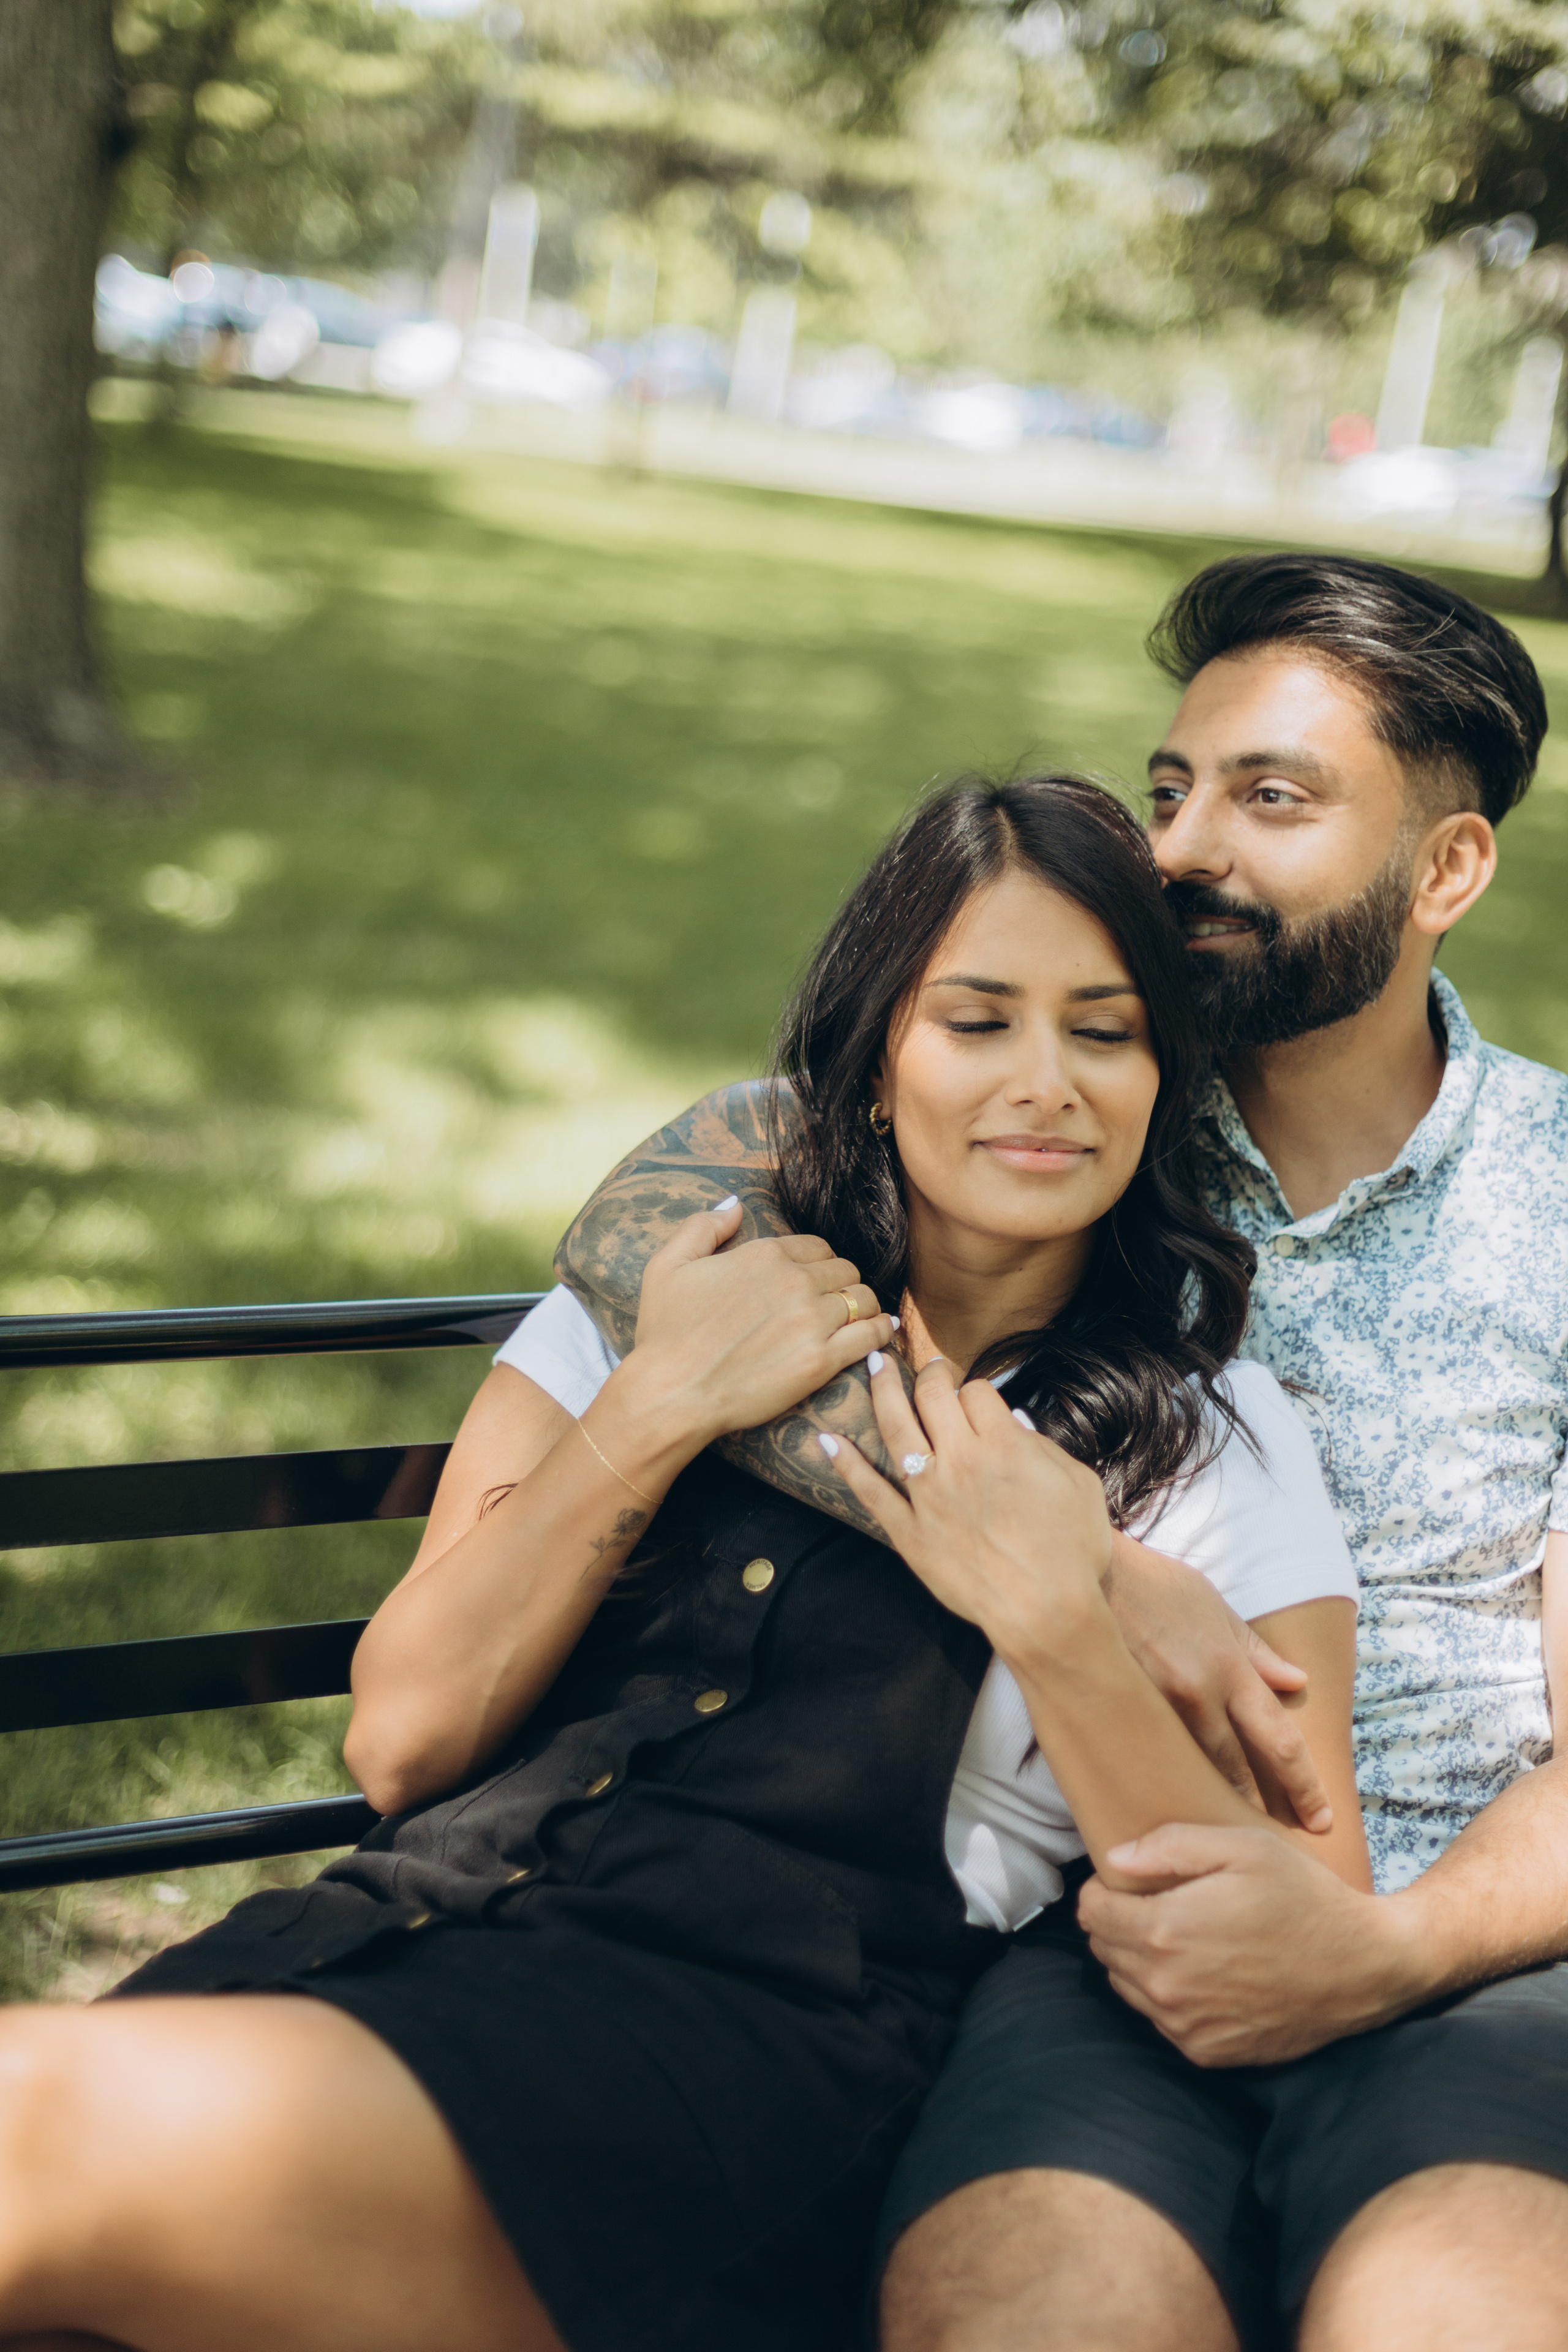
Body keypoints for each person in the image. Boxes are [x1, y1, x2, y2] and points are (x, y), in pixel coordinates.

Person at [0, 775, 1363, 2352]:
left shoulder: (1207, 1437)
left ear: (1161, 1071)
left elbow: (1287, 1927)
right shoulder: (679, 1278)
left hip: (732, 2074)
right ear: (868, 1066)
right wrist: (655, 1407)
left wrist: (1060, 1616)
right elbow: (402, 1738)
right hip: (377, 1944)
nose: (1043, 1083)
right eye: (975, 1022)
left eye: (1103, 1031)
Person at [557, 554, 1568, 2352]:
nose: (1181, 851)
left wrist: (1387, 1953)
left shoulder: (1556, 1205)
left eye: (1272, 799)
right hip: (1100, 1930)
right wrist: (1099, 1563)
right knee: (1028, 2307)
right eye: (1172, 787)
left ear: (1448, 868)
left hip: (1482, 1972)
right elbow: (671, 1209)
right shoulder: (1077, 1091)